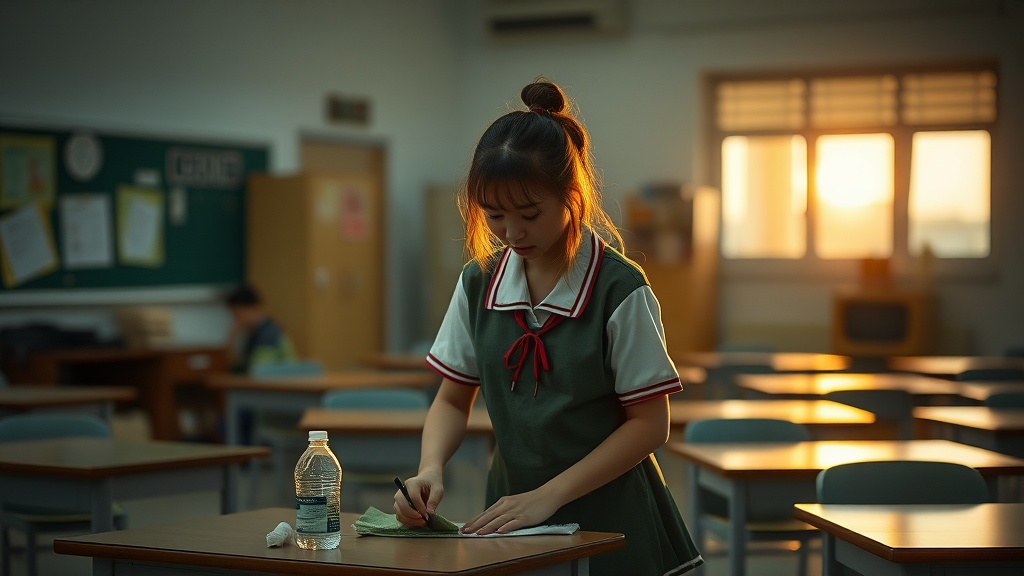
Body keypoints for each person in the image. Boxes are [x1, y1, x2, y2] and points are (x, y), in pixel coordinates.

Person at [394, 79, 703, 575]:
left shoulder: (619, 288)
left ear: (571, 196)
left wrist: (549, 496)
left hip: (612, 513)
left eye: (529, 214)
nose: (512, 233)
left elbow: (650, 424)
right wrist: (430, 468)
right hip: (513, 512)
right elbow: (453, 398)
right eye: (494, 215)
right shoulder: (479, 282)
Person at [224, 285, 296, 373]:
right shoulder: (253, 333)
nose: (236, 320)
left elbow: (258, 371)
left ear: (253, 309)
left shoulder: (268, 333)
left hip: (280, 384)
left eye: (238, 314)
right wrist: (232, 339)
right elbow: (235, 368)